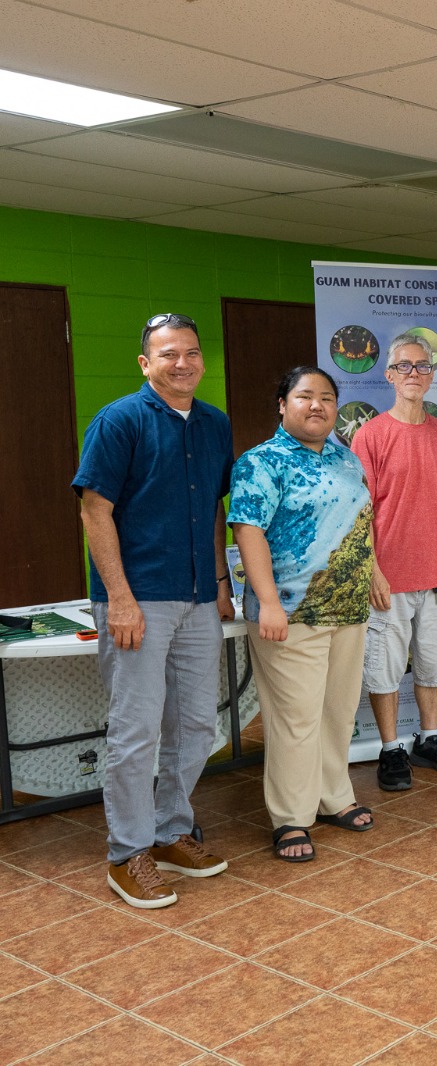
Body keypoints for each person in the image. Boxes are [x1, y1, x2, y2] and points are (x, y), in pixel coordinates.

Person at [73, 312, 232, 908]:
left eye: (191, 353)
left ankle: (170, 833)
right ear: (146, 363)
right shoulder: (119, 420)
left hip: (197, 598)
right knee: (137, 732)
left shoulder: (215, 425)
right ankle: (128, 853)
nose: (182, 363)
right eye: (168, 354)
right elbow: (94, 509)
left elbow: (214, 511)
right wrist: (118, 598)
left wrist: (219, 579)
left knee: (195, 725)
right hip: (137, 598)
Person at [230, 367, 375, 862]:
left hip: (349, 606)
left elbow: (359, 522)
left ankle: (333, 796)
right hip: (290, 611)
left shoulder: (346, 458)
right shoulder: (261, 462)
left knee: (337, 711)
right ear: (282, 403)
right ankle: (291, 817)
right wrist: (267, 600)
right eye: (305, 396)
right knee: (296, 717)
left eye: (327, 398)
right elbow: (247, 530)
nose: (317, 406)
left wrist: (373, 572)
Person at [353, 335, 437, 791]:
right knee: (383, 665)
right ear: (389, 376)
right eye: (404, 367)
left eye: (422, 367)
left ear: (432, 375)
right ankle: (389, 748)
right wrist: (373, 571)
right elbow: (360, 511)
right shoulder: (372, 435)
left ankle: (428, 737)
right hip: (390, 576)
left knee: (435, 661)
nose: (414, 374)